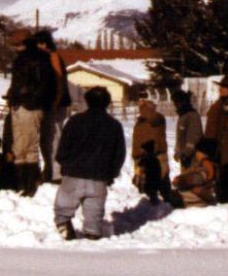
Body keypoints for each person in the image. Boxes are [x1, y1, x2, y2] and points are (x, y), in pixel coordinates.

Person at [53, 86, 126, 240]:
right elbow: (119, 154)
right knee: (94, 214)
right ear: (107, 103)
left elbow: (62, 149)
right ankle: (92, 234)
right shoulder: (114, 125)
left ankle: (65, 227)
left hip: (73, 174)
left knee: (63, 211)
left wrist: (65, 163)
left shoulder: (74, 121)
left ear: (87, 101)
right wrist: (111, 173)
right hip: (99, 177)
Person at [5, 33, 56, 195]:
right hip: (20, 104)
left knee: (29, 145)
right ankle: (22, 183)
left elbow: (45, 85)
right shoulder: (25, 59)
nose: (15, 47)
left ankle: (28, 185)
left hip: (29, 106)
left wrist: (32, 101)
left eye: (17, 43)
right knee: (20, 145)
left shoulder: (40, 59)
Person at [33, 30, 72, 183]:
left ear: (44, 43)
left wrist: (55, 102)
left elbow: (59, 81)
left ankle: (57, 172)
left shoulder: (52, 57)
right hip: (53, 103)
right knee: (48, 139)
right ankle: (51, 169)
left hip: (56, 104)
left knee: (54, 138)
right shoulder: (46, 57)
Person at [204, 74, 228, 203]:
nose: (220, 89)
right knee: (221, 188)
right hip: (218, 153)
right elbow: (209, 132)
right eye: (221, 87)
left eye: (224, 87)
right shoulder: (216, 107)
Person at [131, 98, 169, 201]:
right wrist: (135, 155)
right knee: (144, 182)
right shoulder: (140, 121)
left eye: (145, 107)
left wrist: (144, 107)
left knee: (162, 179)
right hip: (143, 156)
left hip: (157, 155)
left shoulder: (157, 118)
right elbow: (136, 139)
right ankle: (150, 200)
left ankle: (166, 202)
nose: (141, 109)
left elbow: (151, 116)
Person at [170, 137, 218, 208]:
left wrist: (180, 180)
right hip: (200, 198)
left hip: (195, 201)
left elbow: (196, 178)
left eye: (198, 152)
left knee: (172, 197)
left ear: (203, 153)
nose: (196, 154)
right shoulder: (211, 165)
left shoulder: (206, 167)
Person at [172, 89, 203, 169]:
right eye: (174, 102)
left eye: (177, 102)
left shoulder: (192, 116)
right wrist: (178, 152)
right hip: (184, 157)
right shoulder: (182, 116)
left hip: (192, 158)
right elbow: (180, 137)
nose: (175, 105)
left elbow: (194, 137)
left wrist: (187, 154)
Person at [136, 140, 170, 205]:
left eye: (142, 150)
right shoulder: (155, 160)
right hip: (153, 188)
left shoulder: (142, 161)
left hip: (146, 188)